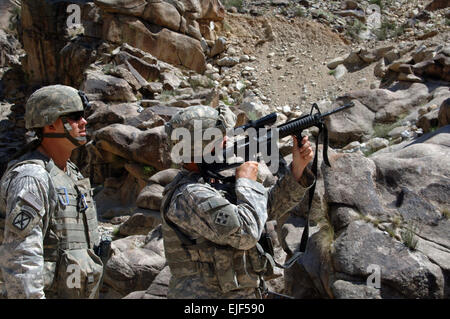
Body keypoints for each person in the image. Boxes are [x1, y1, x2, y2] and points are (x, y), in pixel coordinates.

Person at [161, 104, 315, 298]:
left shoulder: (210, 183)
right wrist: (246, 183)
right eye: (219, 137)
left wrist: (297, 171)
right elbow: (246, 234)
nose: (226, 141)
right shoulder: (191, 196)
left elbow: (262, 211)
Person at [0, 84, 104, 299]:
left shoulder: (70, 172)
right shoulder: (32, 177)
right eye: (74, 117)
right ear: (49, 124)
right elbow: (21, 257)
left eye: (82, 116)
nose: (83, 122)